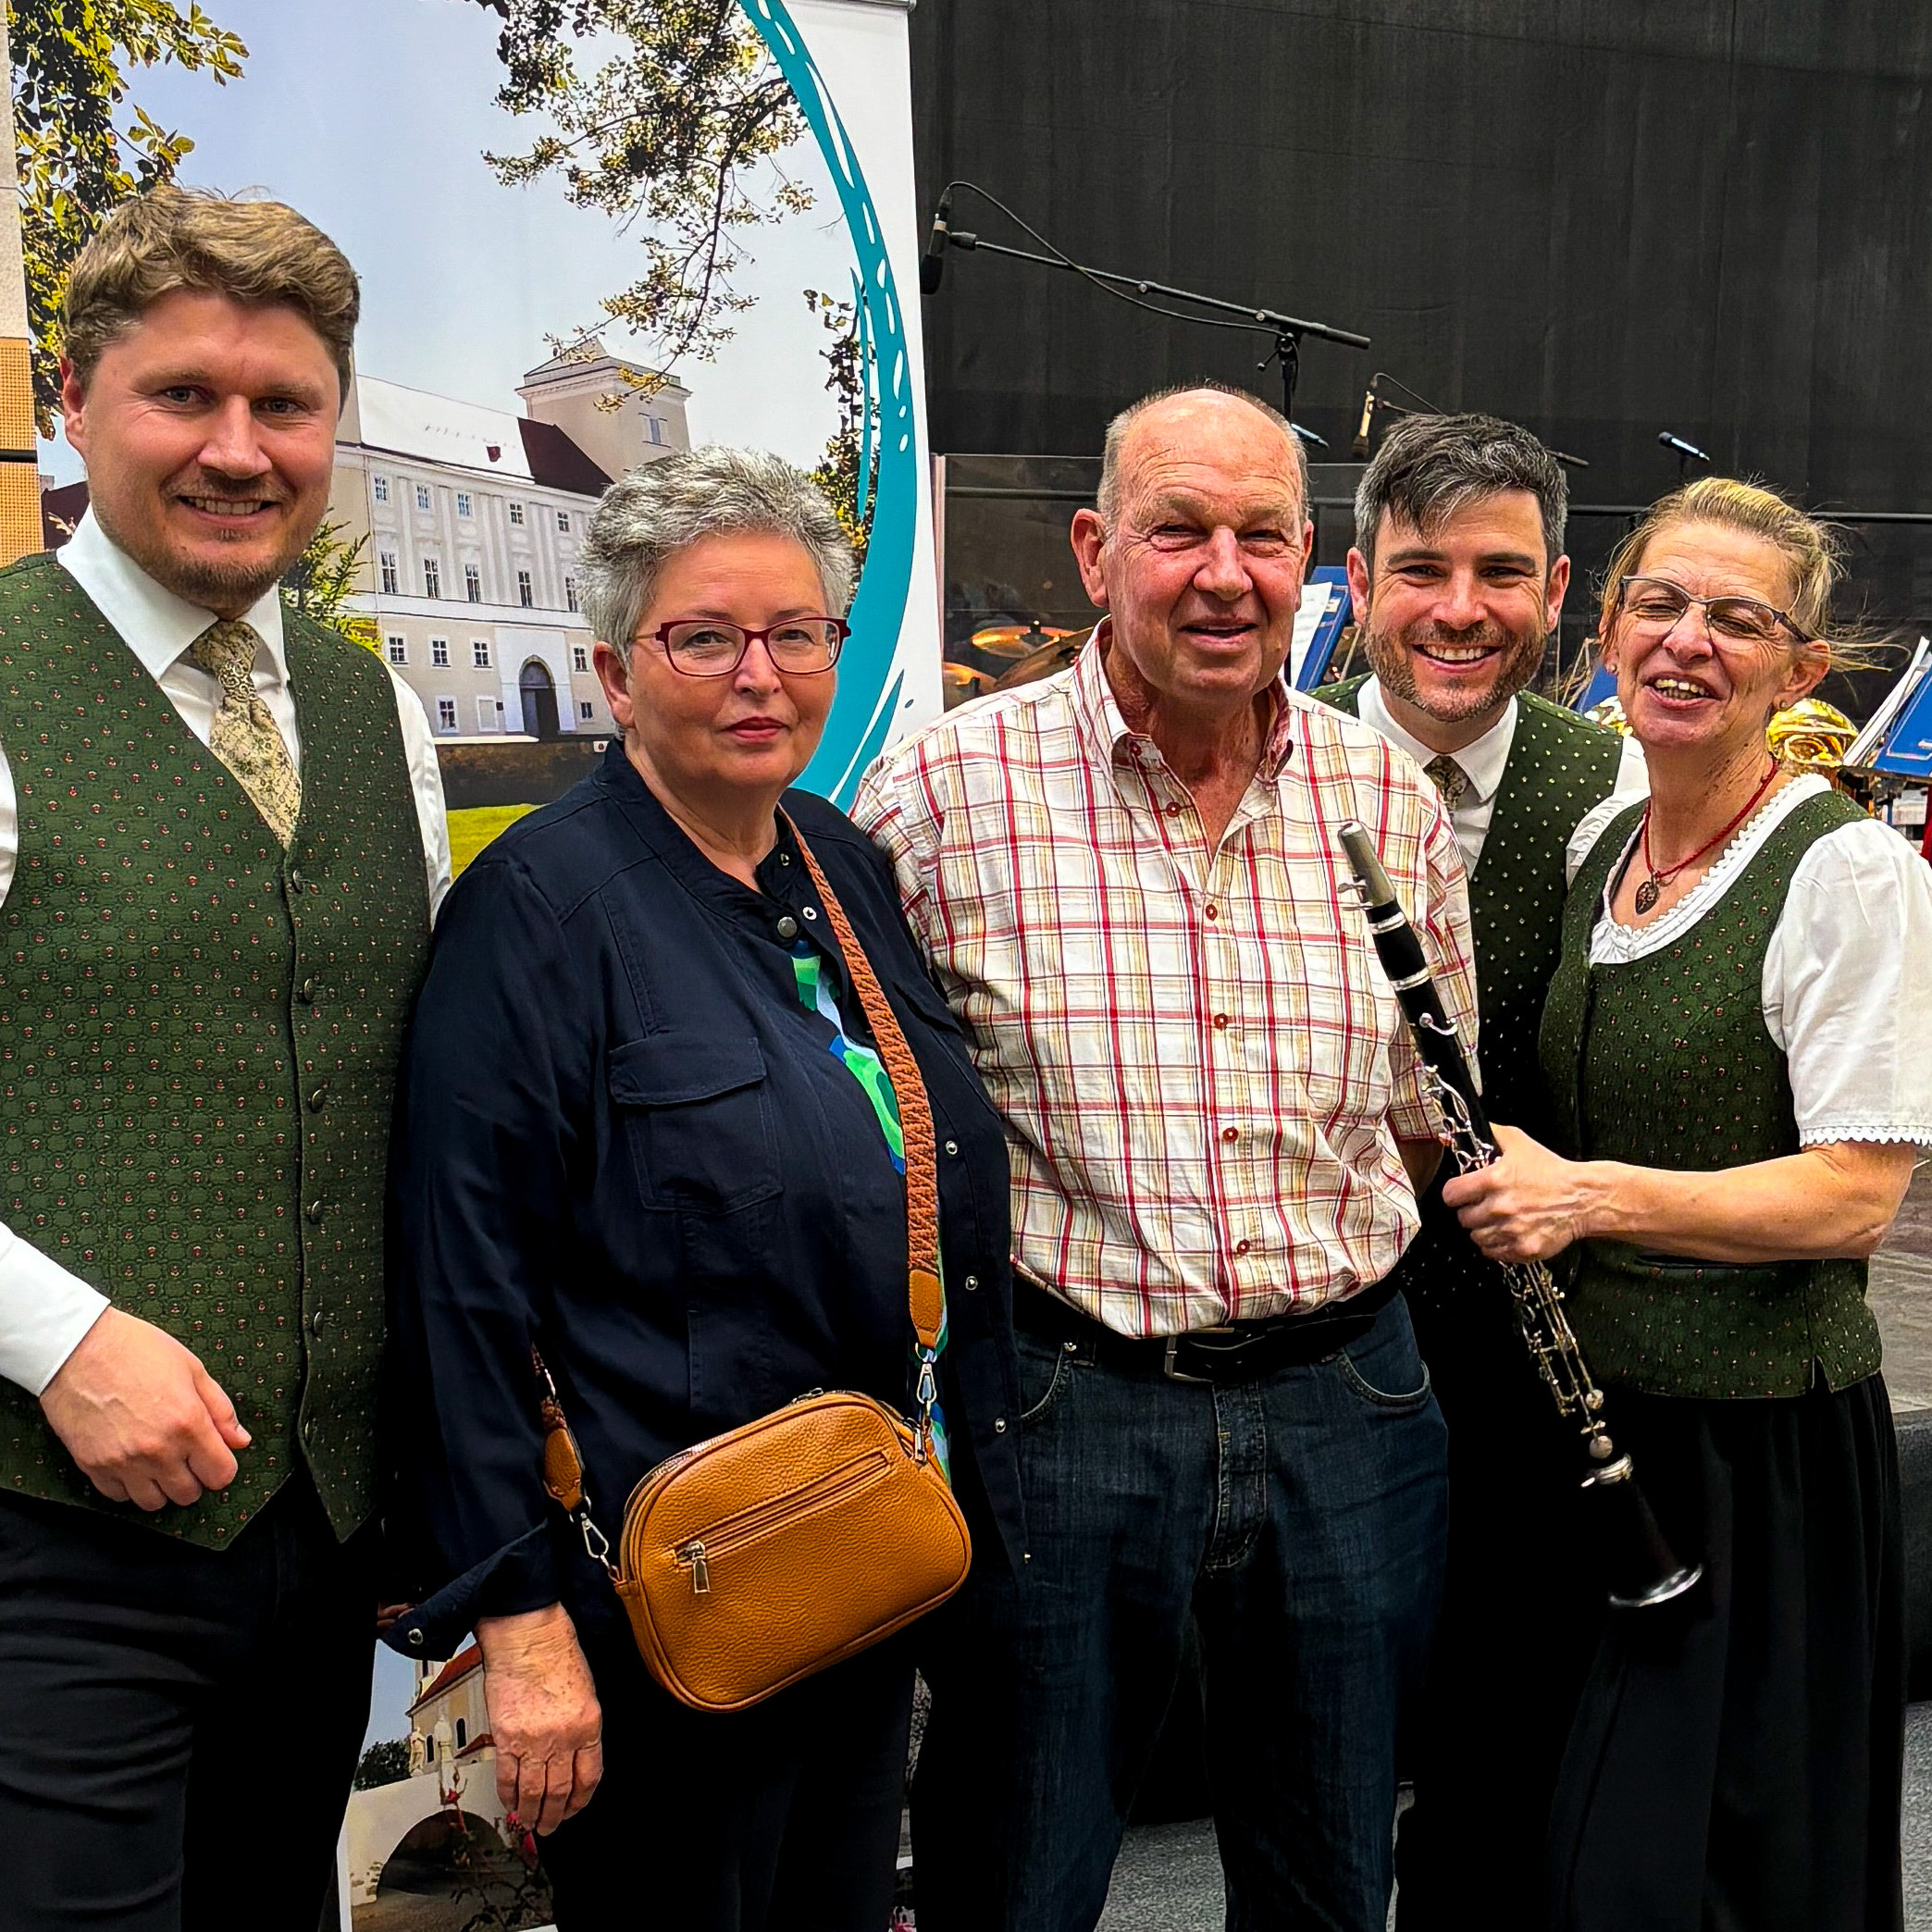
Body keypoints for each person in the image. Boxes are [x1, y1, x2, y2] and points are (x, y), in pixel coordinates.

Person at [852, 382, 1479, 1932]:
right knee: (1021, 1867)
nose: (1223, 573)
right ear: (1093, 549)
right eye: (1177, 530)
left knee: (1335, 1874)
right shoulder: (943, 795)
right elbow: (877, 1129)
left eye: (1262, 536)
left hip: (1353, 1403)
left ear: (1309, 557)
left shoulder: (1383, 794)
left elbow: (1428, 1102)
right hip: (1068, 1409)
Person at [384, 447, 1022, 1932]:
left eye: (798, 634)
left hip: (853, 1561)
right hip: (665, 1613)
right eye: (705, 638)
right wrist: (521, 1620)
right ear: (615, 668)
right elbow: (458, 1292)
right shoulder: (537, 913)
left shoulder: (845, 870)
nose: (762, 676)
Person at [0, 187, 451, 1927]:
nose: (237, 449)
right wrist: (61, 1344)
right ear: (75, 406)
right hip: (46, 1537)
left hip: (315, 1536)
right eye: (182, 395)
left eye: (286, 406)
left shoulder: (369, 705)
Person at [1445, 477, 1932, 1932]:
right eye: (1657, 604)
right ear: (1602, 632)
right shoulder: (1609, 844)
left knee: (1695, 1870)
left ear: (1801, 672)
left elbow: (1856, 1197)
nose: (1686, 640)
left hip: (1755, 1451)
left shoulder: (1843, 871)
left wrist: (1582, 1196)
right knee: (1553, 1839)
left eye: (1738, 619)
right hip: (1596, 1433)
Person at [1315, 413, 1642, 1929]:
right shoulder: (1265, 759)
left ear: (1558, 587)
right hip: (1327, 1347)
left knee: (1512, 1757)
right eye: (1421, 570)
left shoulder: (1632, 787)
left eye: (1502, 572)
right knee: (1314, 1746)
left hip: (1557, 1351)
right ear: (1361, 580)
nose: (1461, 608)